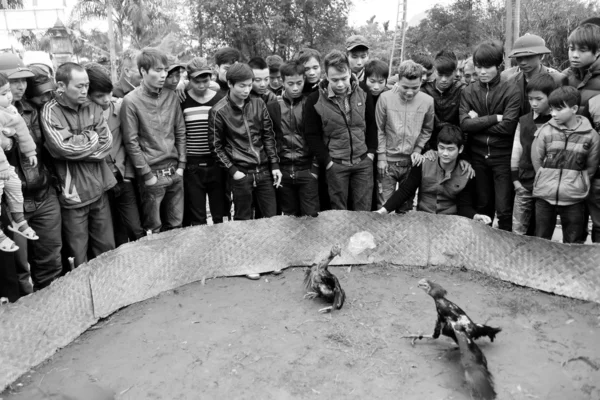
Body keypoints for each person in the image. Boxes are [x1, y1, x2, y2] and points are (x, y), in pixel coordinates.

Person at [41, 62, 116, 268]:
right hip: (72, 195)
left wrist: (79, 143)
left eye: (87, 85)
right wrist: (92, 137)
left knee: (106, 249)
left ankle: (111, 294)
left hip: (99, 188)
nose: (85, 91)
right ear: (61, 86)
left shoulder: (92, 106)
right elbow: (62, 148)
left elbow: (106, 144)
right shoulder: (50, 111)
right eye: (79, 86)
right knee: (77, 255)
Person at [0, 53, 62, 291]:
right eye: (14, 81)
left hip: (43, 195)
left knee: (51, 259)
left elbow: (47, 151)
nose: (20, 86)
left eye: (24, 80)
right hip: (11, 203)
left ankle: (55, 311)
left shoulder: (32, 111)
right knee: (18, 270)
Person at [121, 48, 187, 234]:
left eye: (165, 70)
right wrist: (147, 175)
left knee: (176, 226)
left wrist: (181, 165)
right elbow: (131, 142)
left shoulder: (171, 96)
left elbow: (180, 131)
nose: (163, 75)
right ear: (143, 71)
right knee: (153, 229)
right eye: (157, 70)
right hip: (152, 175)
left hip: (175, 171)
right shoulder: (131, 101)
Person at [459, 40, 521, 231]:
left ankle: (506, 252)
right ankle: (483, 252)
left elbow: (508, 127)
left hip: (502, 157)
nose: (482, 72)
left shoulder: (511, 90)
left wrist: (477, 123)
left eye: (488, 67)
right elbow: (464, 124)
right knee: (483, 206)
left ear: (499, 66)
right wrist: (494, 118)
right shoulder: (469, 91)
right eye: (479, 67)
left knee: (504, 209)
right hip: (477, 157)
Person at [304, 50, 377, 211]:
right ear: (326, 76)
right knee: (337, 212)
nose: (340, 84)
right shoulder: (315, 100)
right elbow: (312, 135)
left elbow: (372, 125)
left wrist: (371, 153)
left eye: (344, 78)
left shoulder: (364, 93)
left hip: (363, 162)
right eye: (334, 80)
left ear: (350, 72)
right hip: (336, 164)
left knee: (363, 210)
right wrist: (328, 162)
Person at [208, 63, 282, 220]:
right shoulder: (218, 111)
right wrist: (234, 172)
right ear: (230, 84)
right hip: (241, 173)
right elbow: (216, 146)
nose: (246, 90)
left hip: (264, 171)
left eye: (249, 85)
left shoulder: (258, 103)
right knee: (243, 222)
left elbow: (268, 135)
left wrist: (274, 165)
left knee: (272, 219)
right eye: (242, 86)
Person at [376, 124, 491, 225]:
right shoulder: (424, 162)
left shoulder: (466, 174)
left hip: (451, 221)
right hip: (423, 219)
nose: (445, 153)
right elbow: (406, 190)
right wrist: (383, 210)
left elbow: (464, 206)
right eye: (441, 148)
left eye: (450, 149)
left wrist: (476, 216)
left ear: (460, 149)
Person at [85, 63, 144, 246]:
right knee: (114, 234)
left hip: (123, 177)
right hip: (101, 183)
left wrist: (128, 174)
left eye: (109, 93)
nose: (106, 99)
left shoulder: (119, 107)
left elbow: (130, 142)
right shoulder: (83, 116)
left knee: (136, 228)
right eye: (99, 96)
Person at [531, 86, 600, 243]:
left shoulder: (591, 136)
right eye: (552, 109)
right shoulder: (545, 131)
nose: (554, 114)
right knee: (541, 240)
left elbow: (591, 166)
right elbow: (537, 159)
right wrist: (544, 177)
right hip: (544, 195)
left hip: (574, 197)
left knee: (573, 242)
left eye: (559, 109)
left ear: (574, 108)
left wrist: (578, 182)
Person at [376, 60, 434, 210]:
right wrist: (381, 157)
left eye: (415, 88)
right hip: (387, 162)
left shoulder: (427, 101)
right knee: (383, 206)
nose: (409, 92)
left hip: (411, 163)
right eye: (405, 87)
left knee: (406, 208)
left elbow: (427, 129)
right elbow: (379, 129)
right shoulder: (385, 98)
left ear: (421, 82)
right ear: (398, 80)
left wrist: (417, 150)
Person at [266, 60, 319, 217]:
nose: (295, 88)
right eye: (290, 83)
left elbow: (318, 136)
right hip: (284, 171)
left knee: (311, 217)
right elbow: (269, 138)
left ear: (304, 80)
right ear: (282, 82)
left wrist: (315, 169)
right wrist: (275, 165)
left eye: (299, 83)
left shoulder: (310, 103)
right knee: (289, 218)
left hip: (307, 170)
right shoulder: (273, 105)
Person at [181, 57, 226, 225]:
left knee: (219, 213)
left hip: (217, 162)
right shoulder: (182, 100)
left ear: (211, 78)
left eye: (205, 81)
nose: (201, 85)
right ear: (189, 79)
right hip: (192, 164)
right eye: (196, 81)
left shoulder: (221, 98)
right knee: (197, 216)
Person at [511, 74, 556, 236]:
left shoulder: (556, 123)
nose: (534, 104)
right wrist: (515, 179)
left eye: (539, 99)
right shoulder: (523, 121)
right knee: (517, 230)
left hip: (547, 186)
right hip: (524, 182)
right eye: (530, 99)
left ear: (551, 97)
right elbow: (517, 151)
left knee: (542, 231)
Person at [0, 73, 39, 251]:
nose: (9, 96)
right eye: (3, 94)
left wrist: (29, 150)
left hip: (5, 167)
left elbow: (21, 128)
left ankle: (18, 219)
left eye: (7, 91)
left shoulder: (10, 111)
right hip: (1, 166)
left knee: (15, 184)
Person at [502, 34, 567, 116]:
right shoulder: (512, 81)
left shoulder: (556, 80)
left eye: (528, 57)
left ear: (541, 56)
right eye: (519, 58)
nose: (523, 62)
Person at [421, 51, 465, 154]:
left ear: (455, 72)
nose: (444, 80)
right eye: (440, 75)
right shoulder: (424, 91)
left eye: (448, 75)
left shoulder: (462, 91)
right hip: (428, 148)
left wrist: (463, 155)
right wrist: (426, 148)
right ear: (434, 71)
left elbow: (465, 126)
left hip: (454, 148)